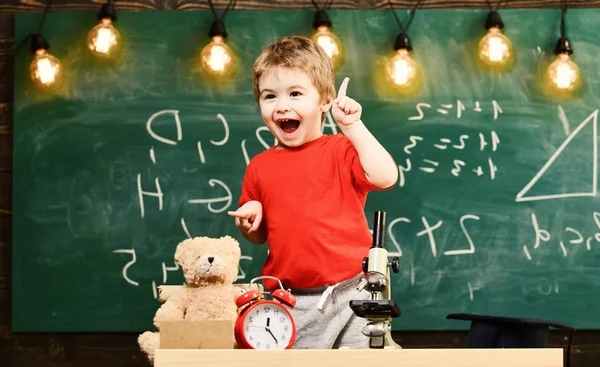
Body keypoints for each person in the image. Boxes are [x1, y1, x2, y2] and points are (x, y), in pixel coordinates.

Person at [227, 36, 398, 349]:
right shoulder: (259, 167)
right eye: (269, 96)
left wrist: (352, 127)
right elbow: (258, 235)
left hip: (353, 294)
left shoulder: (341, 148)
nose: (282, 106)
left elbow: (386, 177)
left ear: (325, 101)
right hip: (289, 301)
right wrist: (248, 225)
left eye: (295, 93)